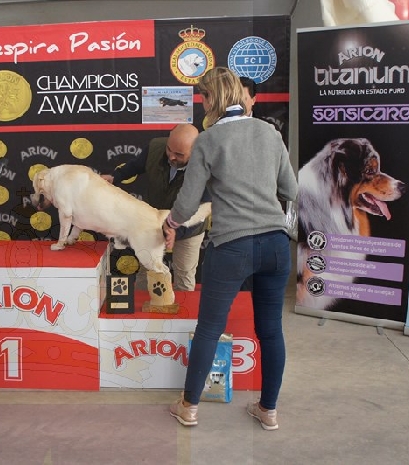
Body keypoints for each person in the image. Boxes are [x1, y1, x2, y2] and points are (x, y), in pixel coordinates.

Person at [163, 67, 298, 430]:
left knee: (209, 329)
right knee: (271, 331)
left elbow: (187, 204)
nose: (202, 104)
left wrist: (171, 223)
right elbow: (291, 189)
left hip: (232, 247)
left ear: (212, 98)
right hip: (276, 245)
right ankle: (268, 410)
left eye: (202, 98)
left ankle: (189, 408)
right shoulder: (270, 132)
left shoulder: (208, 141)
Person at [102, 123, 210, 291]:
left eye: (179, 154)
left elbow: (200, 212)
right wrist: (115, 177)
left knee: (184, 276)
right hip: (152, 223)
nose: (171, 157)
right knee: (146, 271)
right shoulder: (155, 147)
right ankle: (141, 307)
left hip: (189, 228)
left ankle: (183, 307)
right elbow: (135, 165)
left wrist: (175, 230)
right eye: (169, 149)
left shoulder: (208, 168)